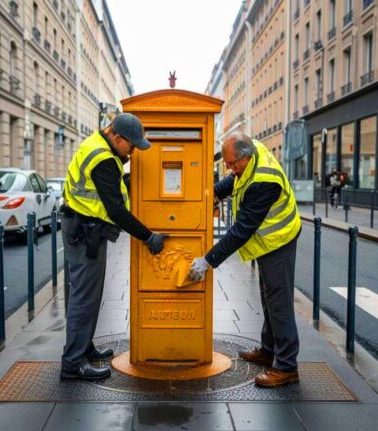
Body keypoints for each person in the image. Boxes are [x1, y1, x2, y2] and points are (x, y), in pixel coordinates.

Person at [188, 131, 302, 388]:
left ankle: (286, 367)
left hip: (279, 240)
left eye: (231, 163)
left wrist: (208, 261)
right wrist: (211, 196)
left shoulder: (264, 181)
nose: (229, 168)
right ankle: (268, 349)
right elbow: (233, 181)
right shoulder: (250, 154)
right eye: (227, 162)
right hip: (267, 240)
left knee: (279, 300)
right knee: (268, 296)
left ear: (246, 156)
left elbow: (241, 230)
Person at [60, 113, 167, 380]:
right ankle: (73, 363)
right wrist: (148, 237)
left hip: (82, 227)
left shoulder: (97, 144)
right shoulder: (104, 159)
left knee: (88, 295)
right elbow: (116, 210)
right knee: (84, 299)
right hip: (85, 232)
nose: (132, 151)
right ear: (117, 137)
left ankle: (84, 347)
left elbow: (109, 189)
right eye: (130, 145)